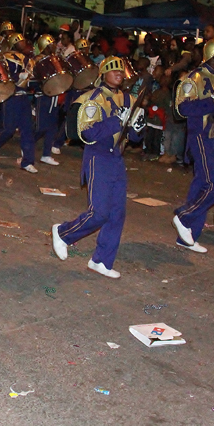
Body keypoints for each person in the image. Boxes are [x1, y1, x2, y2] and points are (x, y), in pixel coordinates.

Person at [51, 56, 145, 278]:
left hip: (116, 158)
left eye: (121, 71)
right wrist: (116, 121)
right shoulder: (93, 98)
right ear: (103, 74)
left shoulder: (128, 99)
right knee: (99, 212)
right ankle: (64, 232)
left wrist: (137, 128)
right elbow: (88, 133)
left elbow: (131, 136)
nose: (118, 74)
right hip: (97, 157)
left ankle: (101, 260)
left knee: (117, 213)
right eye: (113, 70)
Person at [171, 39, 214, 253]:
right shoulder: (195, 77)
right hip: (198, 134)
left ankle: (188, 235)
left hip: (213, 135)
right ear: (213, 55)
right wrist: (213, 102)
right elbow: (182, 109)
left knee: (201, 185)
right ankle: (183, 216)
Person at [0, 32, 37, 171]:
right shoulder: (5, 57)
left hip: (24, 96)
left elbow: (30, 81)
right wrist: (16, 76)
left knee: (27, 129)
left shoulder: (29, 59)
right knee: (8, 129)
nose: (23, 43)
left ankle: (27, 161)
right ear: (14, 42)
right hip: (10, 95)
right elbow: (0, 75)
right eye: (20, 41)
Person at [31, 34, 63, 166]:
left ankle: (46, 154)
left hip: (54, 95)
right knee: (41, 127)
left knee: (52, 127)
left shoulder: (55, 59)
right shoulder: (37, 60)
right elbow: (33, 78)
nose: (54, 46)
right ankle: (27, 146)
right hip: (43, 96)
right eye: (51, 44)